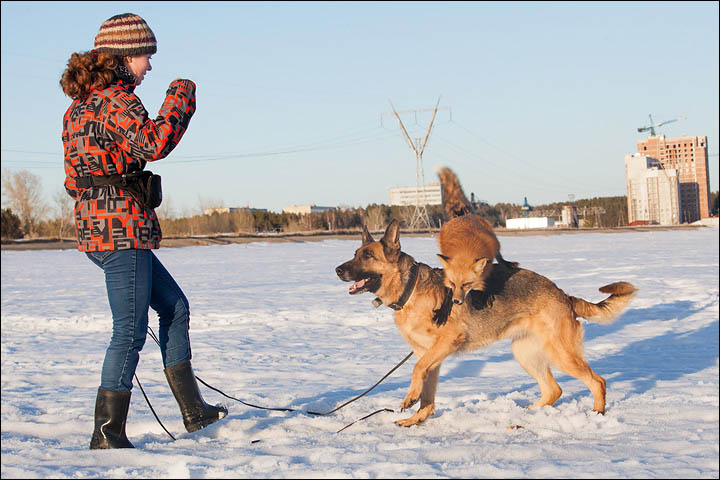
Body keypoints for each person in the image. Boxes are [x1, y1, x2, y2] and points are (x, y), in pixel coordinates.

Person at [60, 13, 227, 449]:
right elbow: (154, 142)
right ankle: (106, 434)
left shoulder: (78, 107)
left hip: (100, 229)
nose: (149, 67)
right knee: (129, 332)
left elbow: (74, 177)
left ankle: (194, 412)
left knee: (175, 307)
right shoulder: (115, 100)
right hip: (121, 233)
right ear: (121, 58)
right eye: (144, 57)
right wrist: (181, 96)